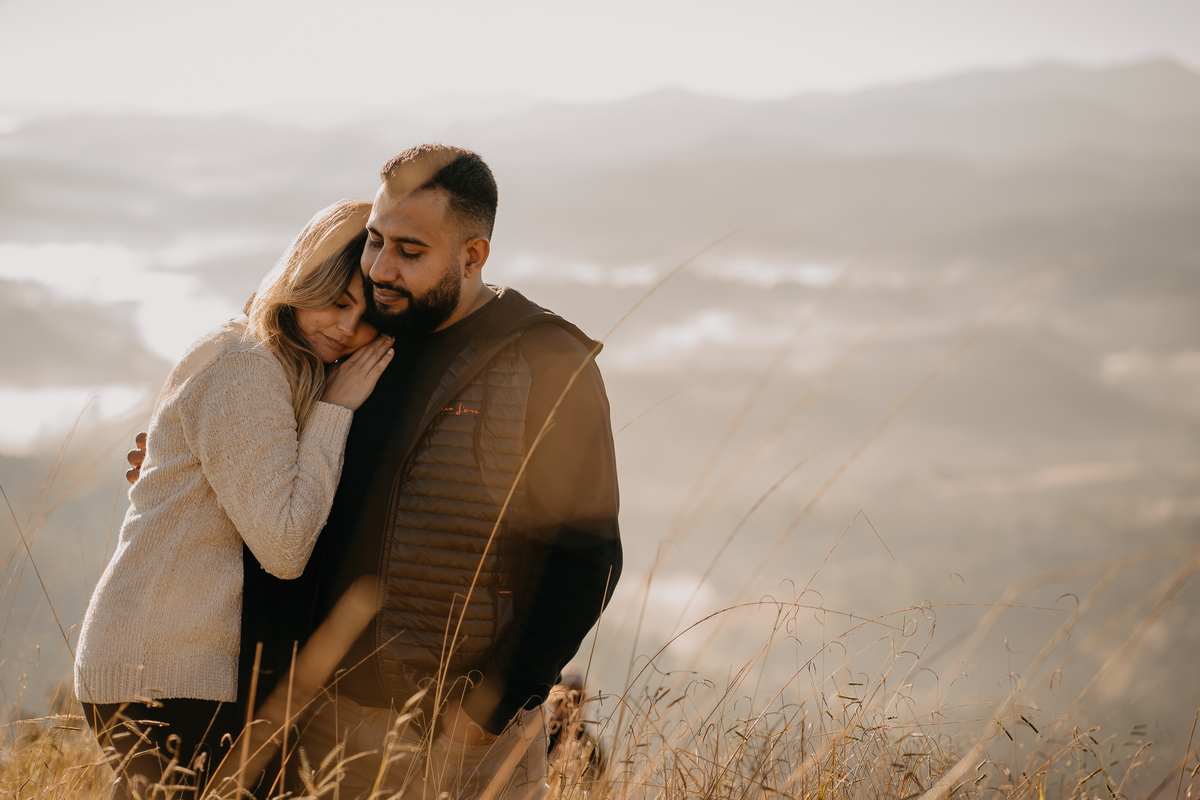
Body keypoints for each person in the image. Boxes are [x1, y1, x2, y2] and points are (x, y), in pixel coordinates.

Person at [239, 144, 624, 799]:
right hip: (327, 730)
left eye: (410, 252)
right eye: (375, 242)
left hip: (467, 749)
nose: (381, 269)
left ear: (473, 257)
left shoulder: (544, 362)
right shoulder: (355, 339)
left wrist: (481, 719)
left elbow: (587, 561)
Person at [75, 199, 395, 799]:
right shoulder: (247, 367)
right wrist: (335, 411)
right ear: (299, 280)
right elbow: (284, 547)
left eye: (367, 314)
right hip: (165, 671)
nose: (349, 330)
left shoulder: (272, 362)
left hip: (169, 664)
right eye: (335, 300)